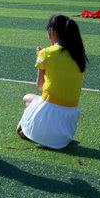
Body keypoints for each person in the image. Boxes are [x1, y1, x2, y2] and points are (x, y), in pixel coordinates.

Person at [16, 15, 88, 149]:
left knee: (21, 129)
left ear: (52, 32)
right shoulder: (78, 56)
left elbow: (40, 86)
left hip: (51, 109)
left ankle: (43, 131)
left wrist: (41, 59)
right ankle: (50, 133)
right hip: (69, 120)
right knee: (28, 99)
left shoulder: (46, 53)